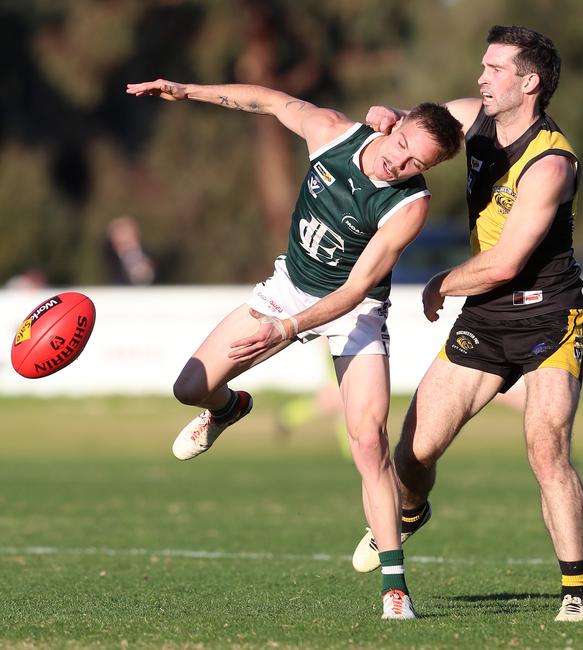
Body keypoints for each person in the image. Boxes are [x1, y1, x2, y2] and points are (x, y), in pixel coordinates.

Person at [127, 77, 463, 619]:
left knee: (368, 441)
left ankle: (395, 587)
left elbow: (356, 290)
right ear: (393, 124)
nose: (398, 166)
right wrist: (186, 90)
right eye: (401, 148)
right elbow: (268, 101)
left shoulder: (410, 207)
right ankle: (230, 408)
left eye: (414, 165)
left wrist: (288, 330)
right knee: (190, 388)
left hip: (355, 314)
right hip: (286, 290)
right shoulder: (332, 135)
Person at [352, 25, 583, 623]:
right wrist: (388, 121)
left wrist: (440, 283)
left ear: (529, 82)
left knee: (547, 447)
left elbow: (507, 262)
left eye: (493, 69)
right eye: (482, 67)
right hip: (486, 320)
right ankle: (411, 511)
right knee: (412, 455)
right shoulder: (471, 119)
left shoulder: (551, 165)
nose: (480, 77)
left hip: (548, 314)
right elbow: (419, 127)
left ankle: (577, 594)